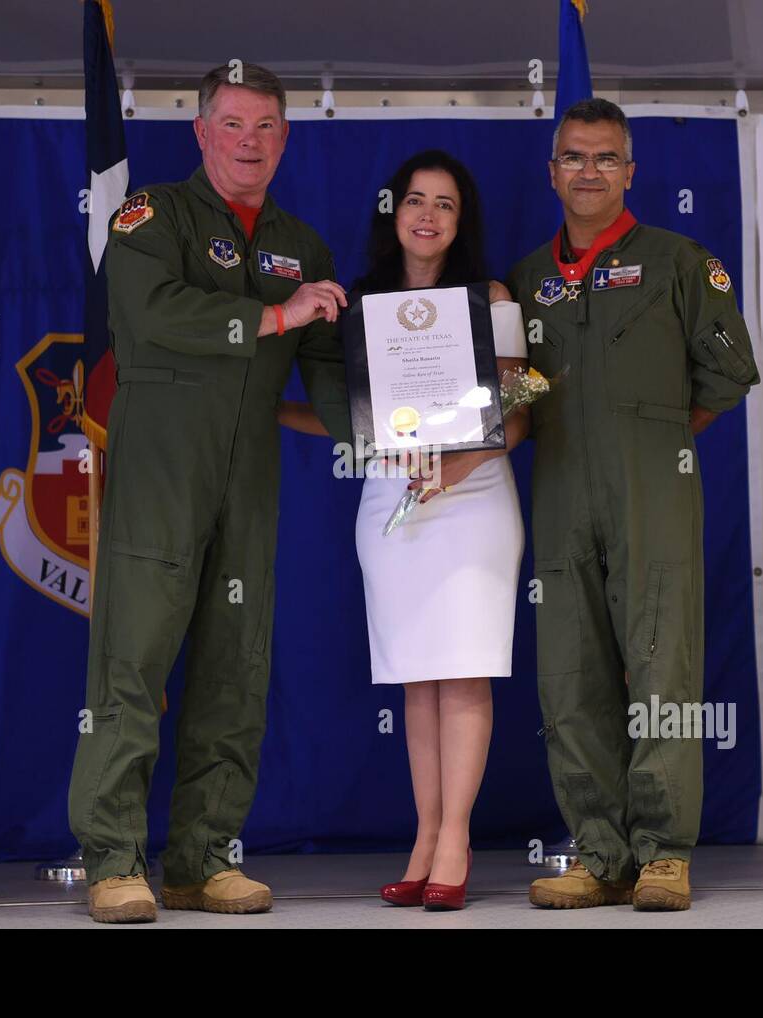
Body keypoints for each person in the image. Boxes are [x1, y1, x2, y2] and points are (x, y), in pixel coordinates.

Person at [68, 62, 355, 923]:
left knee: (237, 671)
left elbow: (328, 365)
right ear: (201, 132)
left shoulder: (301, 247)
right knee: (133, 667)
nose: (249, 142)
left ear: (285, 139)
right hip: (161, 476)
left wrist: (395, 437)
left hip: (248, 485)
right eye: (232, 124)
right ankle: (115, 860)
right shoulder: (150, 215)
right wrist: (272, 316)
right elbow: (154, 313)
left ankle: (202, 858)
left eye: (266, 126)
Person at [506, 98, 761, 911]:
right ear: (552, 173)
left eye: (605, 158)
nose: (589, 172)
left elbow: (727, 372)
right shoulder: (525, 281)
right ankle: (598, 849)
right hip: (559, 488)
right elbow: (513, 393)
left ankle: (662, 852)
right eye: (574, 158)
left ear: (630, 172)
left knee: (661, 664)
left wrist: (658, 435)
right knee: (570, 672)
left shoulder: (680, 261)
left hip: (652, 486)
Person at [280, 150, 529, 911]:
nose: (427, 215)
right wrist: (259, 414)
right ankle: (424, 836)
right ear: (393, 214)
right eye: (415, 200)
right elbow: (350, 422)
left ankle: (455, 839)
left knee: (464, 668)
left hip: (475, 496)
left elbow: (517, 413)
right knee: (417, 677)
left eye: (445, 204)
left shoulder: (492, 298)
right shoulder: (361, 306)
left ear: (462, 221)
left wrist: (451, 472)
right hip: (390, 499)